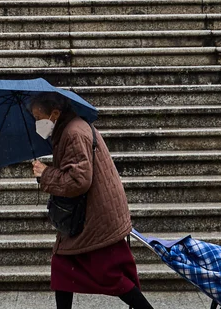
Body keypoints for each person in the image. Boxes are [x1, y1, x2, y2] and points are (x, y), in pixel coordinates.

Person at [30, 94, 156, 309]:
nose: (37, 123)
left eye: (39, 117)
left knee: (110, 275)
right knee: (62, 267)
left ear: (55, 114)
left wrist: (46, 174)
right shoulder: (68, 129)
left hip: (95, 216)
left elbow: (78, 180)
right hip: (91, 212)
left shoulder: (73, 133)